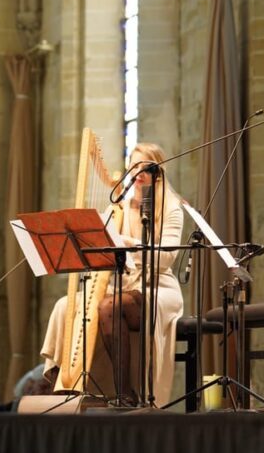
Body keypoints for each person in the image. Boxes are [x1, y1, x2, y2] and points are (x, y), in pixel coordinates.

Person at [41, 142, 185, 407]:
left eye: (145, 166)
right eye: (134, 165)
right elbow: (101, 250)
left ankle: (125, 392)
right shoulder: (116, 209)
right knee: (65, 305)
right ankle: (58, 381)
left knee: (109, 306)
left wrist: (127, 245)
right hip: (122, 283)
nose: (138, 172)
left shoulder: (170, 208)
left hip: (158, 288)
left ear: (158, 173)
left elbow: (165, 259)